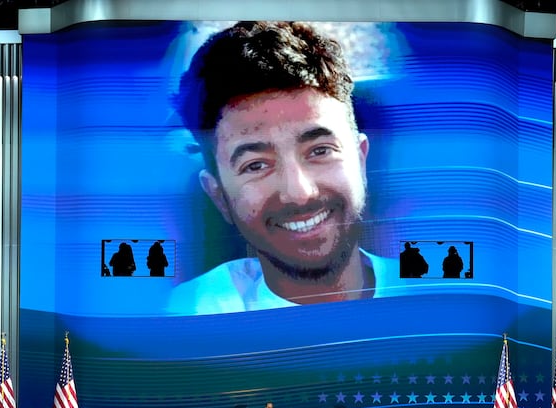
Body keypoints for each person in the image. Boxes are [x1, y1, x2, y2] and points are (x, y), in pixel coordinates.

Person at [169, 21, 400, 314]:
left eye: (319, 151)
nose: (299, 193)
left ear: (360, 159)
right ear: (219, 197)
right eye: (256, 166)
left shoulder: (441, 296)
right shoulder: (183, 318)